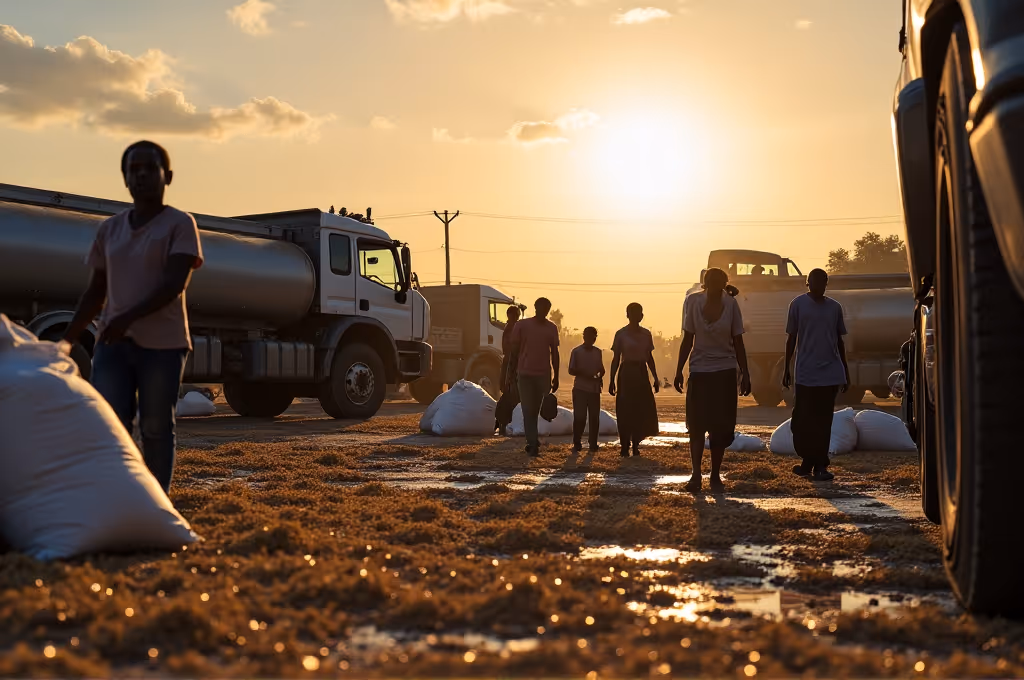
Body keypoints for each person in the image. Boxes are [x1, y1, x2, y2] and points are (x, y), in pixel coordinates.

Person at [63, 141, 204, 493]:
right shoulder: (109, 229)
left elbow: (174, 284)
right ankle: (118, 498)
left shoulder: (180, 224)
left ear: (167, 176)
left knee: (156, 426)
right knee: (111, 426)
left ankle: (156, 502)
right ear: (124, 178)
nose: (140, 175)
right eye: (132, 169)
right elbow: (96, 291)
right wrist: (66, 340)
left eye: (148, 168)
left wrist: (126, 318)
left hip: (164, 346)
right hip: (112, 345)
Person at [674, 268, 751, 493]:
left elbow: (738, 342)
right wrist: (679, 370)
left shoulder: (731, 305)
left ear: (724, 284)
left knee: (720, 428)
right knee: (696, 427)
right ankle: (696, 475)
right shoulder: (693, 302)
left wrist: (745, 373)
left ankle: (715, 476)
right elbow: (687, 339)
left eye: (719, 281)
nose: (715, 285)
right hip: (699, 371)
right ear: (705, 284)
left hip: (725, 372)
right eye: (710, 281)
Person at [782, 268, 850, 482]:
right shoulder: (798, 305)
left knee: (823, 421)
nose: (819, 284)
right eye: (815, 281)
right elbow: (791, 338)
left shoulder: (834, 308)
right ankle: (807, 460)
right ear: (807, 282)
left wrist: (845, 371)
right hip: (805, 373)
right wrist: (786, 368)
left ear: (826, 283)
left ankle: (820, 465)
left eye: (823, 281)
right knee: (801, 421)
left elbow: (840, 342)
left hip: (829, 373)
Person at [507, 298, 560, 457]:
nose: (544, 310)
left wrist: (556, 376)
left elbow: (555, 354)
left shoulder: (552, 328)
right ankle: (532, 443)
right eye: (541, 307)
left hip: (543, 375)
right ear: (535, 307)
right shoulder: (521, 326)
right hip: (524, 374)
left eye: (547, 308)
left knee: (537, 410)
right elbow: (514, 352)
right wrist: (510, 374)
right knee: (527, 409)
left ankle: (533, 439)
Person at [609, 303, 660, 457]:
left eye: (640, 313)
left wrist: (656, 377)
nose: (638, 316)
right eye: (634, 313)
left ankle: (636, 443)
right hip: (626, 374)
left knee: (641, 409)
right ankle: (624, 444)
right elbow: (616, 358)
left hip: (641, 373)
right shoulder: (621, 334)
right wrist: (611, 379)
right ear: (628, 315)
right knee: (625, 409)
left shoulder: (646, 334)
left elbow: (649, 358)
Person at [568, 326, 605, 453]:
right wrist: (585, 374)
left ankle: (593, 443)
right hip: (580, 389)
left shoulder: (598, 352)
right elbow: (571, 370)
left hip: (594, 389)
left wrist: (600, 376)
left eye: (593, 337)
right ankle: (577, 442)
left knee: (594, 417)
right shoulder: (576, 352)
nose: (591, 339)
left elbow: (601, 368)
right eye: (589, 336)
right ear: (584, 337)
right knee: (580, 417)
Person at [495, 305, 522, 435]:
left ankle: (504, 425)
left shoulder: (511, 328)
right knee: (510, 397)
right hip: (512, 365)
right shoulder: (513, 328)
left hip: (512, 365)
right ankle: (503, 425)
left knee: (511, 397)